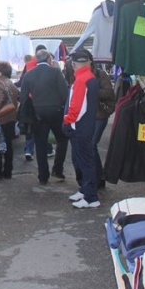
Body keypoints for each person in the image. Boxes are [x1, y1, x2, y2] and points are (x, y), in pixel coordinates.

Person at [19, 49, 69, 185]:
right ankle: (57, 169)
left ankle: (43, 176)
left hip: (38, 113)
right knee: (62, 139)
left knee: (40, 143)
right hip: (56, 111)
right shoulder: (55, 72)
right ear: (49, 60)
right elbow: (65, 94)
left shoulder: (29, 75)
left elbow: (23, 98)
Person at [62, 49, 101, 208]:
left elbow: (77, 107)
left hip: (79, 127)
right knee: (83, 160)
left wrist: (67, 121)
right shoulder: (89, 78)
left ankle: (91, 197)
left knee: (85, 161)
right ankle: (86, 191)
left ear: (74, 64)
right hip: (85, 126)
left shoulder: (82, 80)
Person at [17, 45, 46, 162]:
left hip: (30, 101)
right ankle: (46, 149)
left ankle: (28, 150)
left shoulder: (28, 65)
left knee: (30, 126)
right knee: (43, 126)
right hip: (44, 101)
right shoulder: (50, 66)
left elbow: (22, 83)